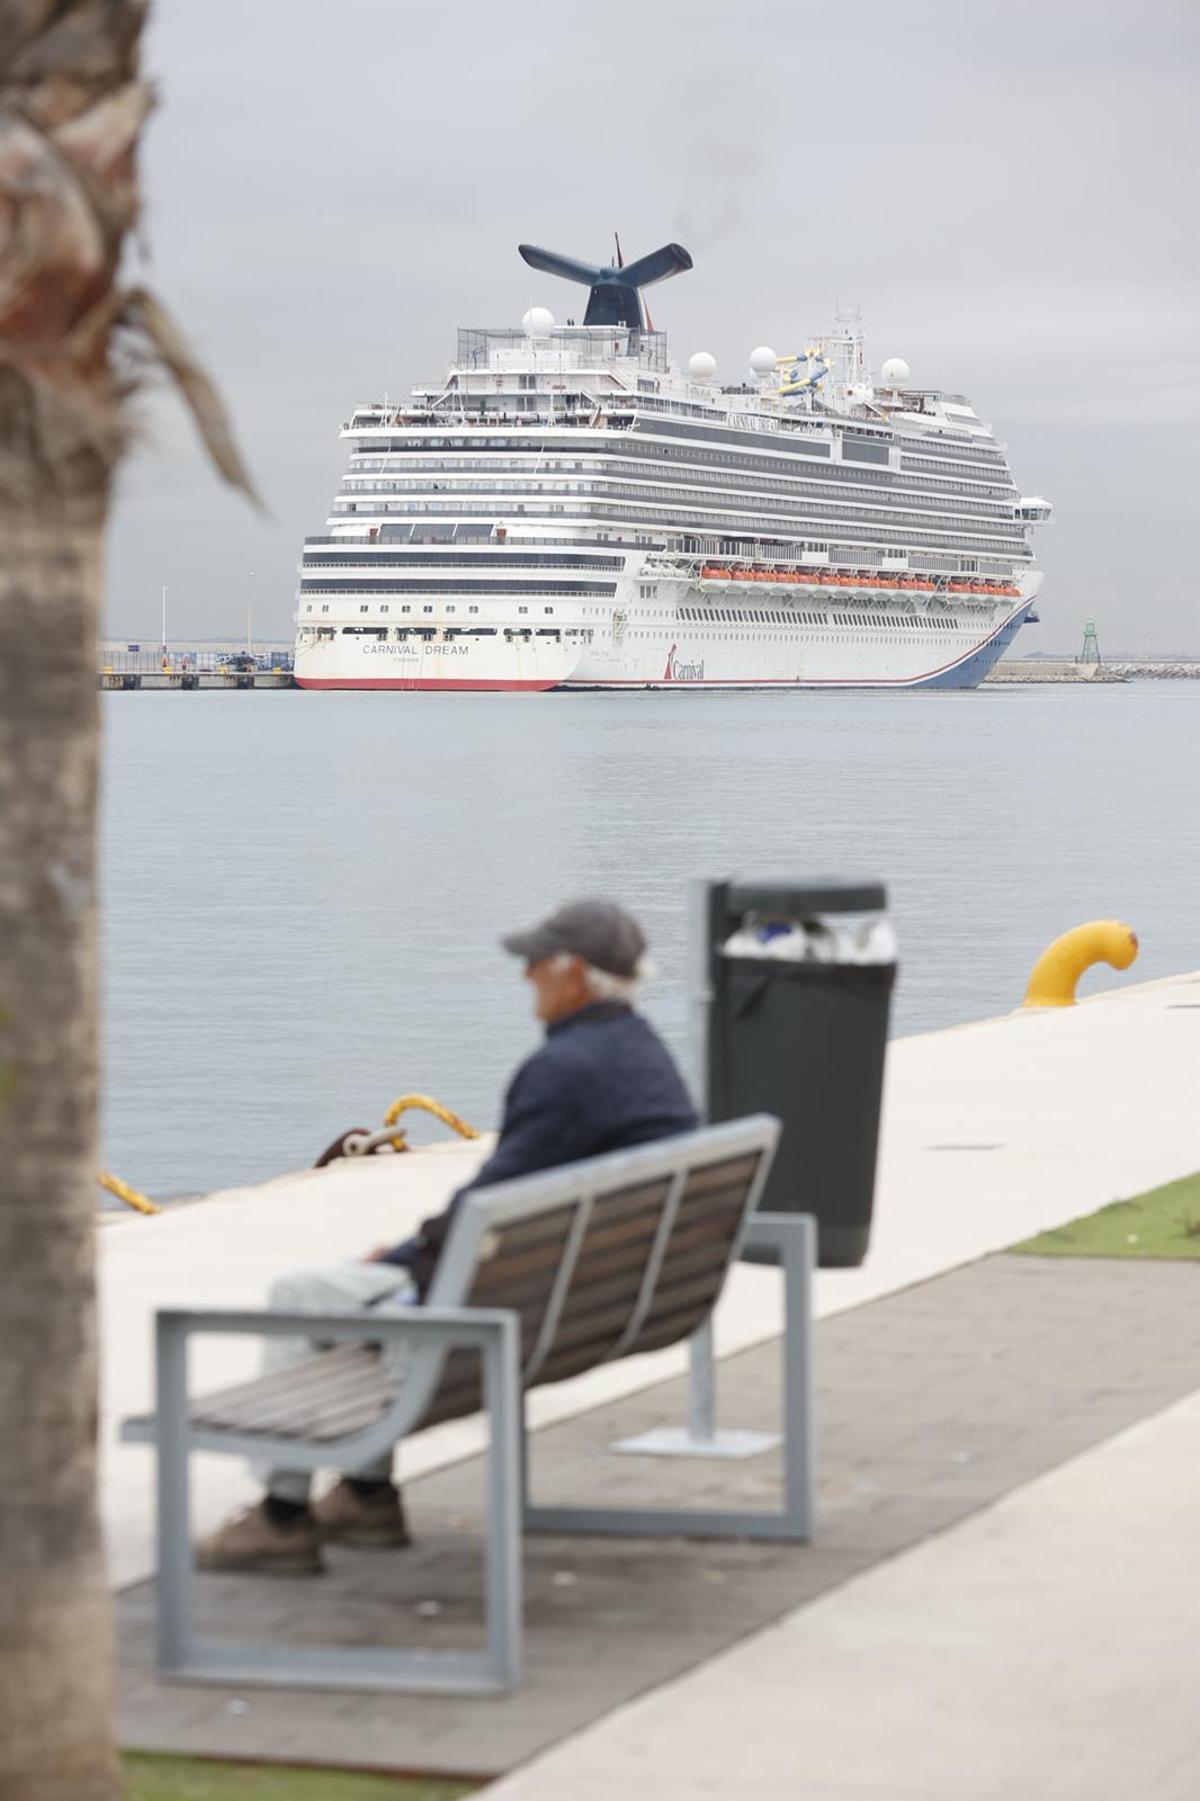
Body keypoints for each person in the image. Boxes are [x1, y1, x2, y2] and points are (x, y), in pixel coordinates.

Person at [196, 899, 697, 1573]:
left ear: (573, 974)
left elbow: (483, 1206)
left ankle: (284, 1517)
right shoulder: (644, 1055)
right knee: (360, 1285)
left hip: (496, 1321)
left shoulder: (563, 1071)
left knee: (303, 1293)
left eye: (535, 964)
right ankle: (366, 1497)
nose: (525, 977)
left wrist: (402, 1257)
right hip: (591, 1303)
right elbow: (500, 1207)